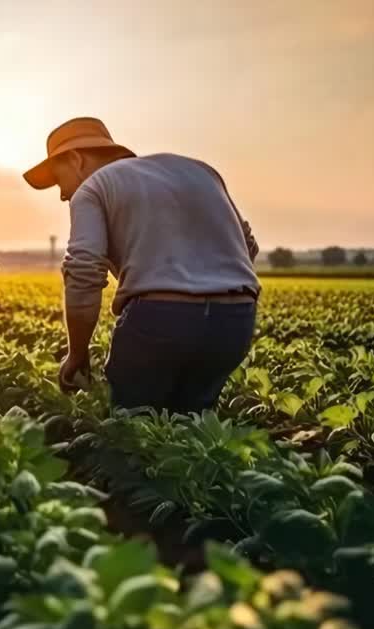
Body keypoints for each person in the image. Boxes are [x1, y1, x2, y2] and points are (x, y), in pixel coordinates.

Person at [22, 117, 260, 413]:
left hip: (159, 320)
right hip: (235, 321)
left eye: (59, 181)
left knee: (134, 430)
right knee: (194, 428)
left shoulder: (94, 187)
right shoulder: (203, 172)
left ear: (76, 159)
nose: (61, 194)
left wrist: (77, 354)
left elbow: (83, 272)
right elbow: (248, 246)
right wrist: (209, 288)